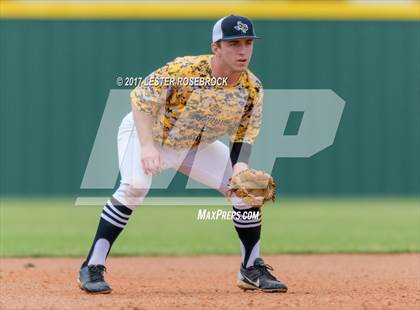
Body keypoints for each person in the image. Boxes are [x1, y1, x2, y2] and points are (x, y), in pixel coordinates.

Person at [78, 15, 288, 294]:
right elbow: (141, 100)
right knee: (135, 186)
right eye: (234, 43)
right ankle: (92, 266)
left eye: (248, 42)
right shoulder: (184, 70)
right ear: (216, 47)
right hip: (147, 133)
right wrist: (147, 146)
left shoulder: (252, 87)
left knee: (245, 189)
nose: (242, 50)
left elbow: (244, 133)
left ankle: (251, 268)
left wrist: (239, 168)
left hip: (194, 146)